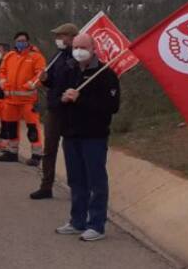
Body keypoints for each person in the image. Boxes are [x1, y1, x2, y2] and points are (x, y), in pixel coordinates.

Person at [55, 33, 120, 242]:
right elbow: (55, 97)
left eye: (83, 46)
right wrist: (62, 99)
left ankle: (97, 224)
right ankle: (77, 220)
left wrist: (80, 99)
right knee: (76, 179)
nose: (79, 50)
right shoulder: (69, 70)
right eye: (76, 46)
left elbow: (111, 106)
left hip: (94, 136)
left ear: (93, 48)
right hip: (71, 134)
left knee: (96, 180)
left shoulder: (105, 74)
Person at [31, 22, 79, 200]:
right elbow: (53, 81)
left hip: (71, 110)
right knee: (49, 149)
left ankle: (76, 187)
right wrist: (45, 79)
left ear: (72, 37)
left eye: (61, 36)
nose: (57, 39)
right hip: (54, 108)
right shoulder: (57, 56)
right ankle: (46, 185)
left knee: (72, 149)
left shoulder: (78, 57)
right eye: (57, 36)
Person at [0, 31, 46, 165]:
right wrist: (2, 82)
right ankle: (12, 152)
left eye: (23, 40)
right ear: (15, 42)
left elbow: (41, 74)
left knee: (32, 128)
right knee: (11, 127)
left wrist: (32, 83)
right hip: (11, 100)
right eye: (18, 40)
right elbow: (1, 71)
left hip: (28, 100)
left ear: (28, 41)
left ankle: (36, 155)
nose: (21, 43)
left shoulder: (36, 57)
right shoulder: (9, 56)